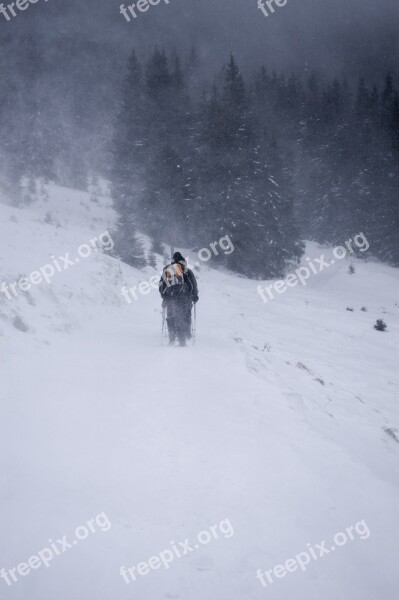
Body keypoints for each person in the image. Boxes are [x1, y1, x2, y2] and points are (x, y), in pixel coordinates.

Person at [159, 252, 199, 346]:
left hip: (170, 297)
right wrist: (195, 296)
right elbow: (193, 284)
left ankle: (172, 337)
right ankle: (184, 336)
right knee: (184, 316)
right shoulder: (187, 271)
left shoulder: (168, 270)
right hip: (185, 297)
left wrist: (164, 296)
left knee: (171, 316)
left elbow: (161, 285)